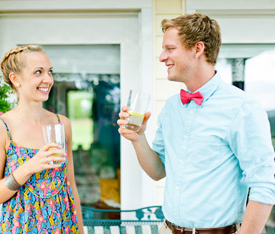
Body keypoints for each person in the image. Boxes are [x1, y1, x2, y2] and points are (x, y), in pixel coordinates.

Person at [117, 13, 275, 234]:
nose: (162, 57)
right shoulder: (171, 108)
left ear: (198, 49)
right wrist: (138, 138)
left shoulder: (242, 108)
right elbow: (158, 171)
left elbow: (264, 185)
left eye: (170, 49)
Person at [0, 45, 84, 234]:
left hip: (64, 227)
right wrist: (28, 168)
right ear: (15, 79)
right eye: (38, 72)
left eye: (49, 72)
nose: (48, 79)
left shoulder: (63, 125)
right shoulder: (0, 128)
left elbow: (71, 185)